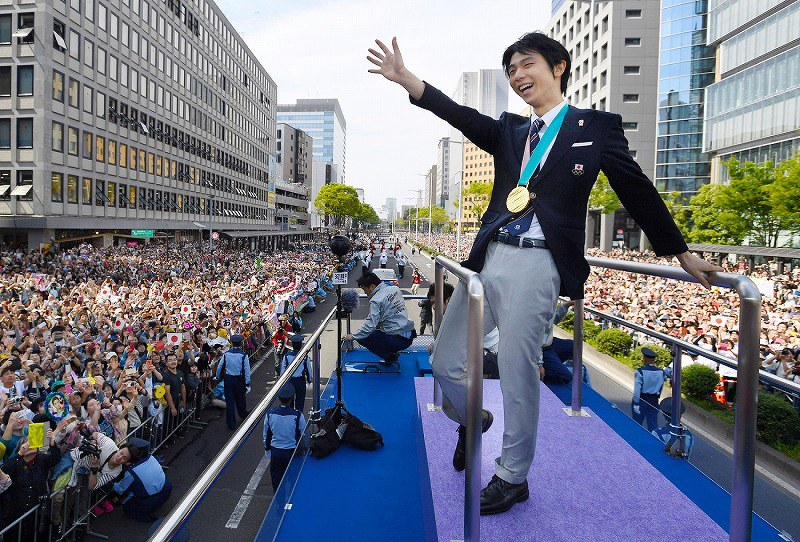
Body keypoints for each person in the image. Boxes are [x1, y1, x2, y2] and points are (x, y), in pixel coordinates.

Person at [367, 33, 719, 515]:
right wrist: (407, 79)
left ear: (559, 67)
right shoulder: (511, 130)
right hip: (488, 259)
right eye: (510, 69)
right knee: (447, 360)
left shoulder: (596, 128)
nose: (517, 76)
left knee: (516, 372)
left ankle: (512, 476)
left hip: (540, 263)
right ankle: (474, 418)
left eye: (525, 64)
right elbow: (457, 114)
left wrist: (680, 253)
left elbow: (637, 192)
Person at [343, 272, 416, 365]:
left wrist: (353, 336)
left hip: (398, 340)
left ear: (372, 286)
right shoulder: (395, 289)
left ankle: (390, 357)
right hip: (409, 335)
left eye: (364, 289)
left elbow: (370, 326)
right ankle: (391, 354)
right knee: (376, 331)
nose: (365, 292)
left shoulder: (376, 300)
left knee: (363, 337)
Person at [112, 437, 172, 522]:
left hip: (151, 500)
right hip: (166, 488)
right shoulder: (151, 457)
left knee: (127, 508)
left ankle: (148, 518)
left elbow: (120, 489)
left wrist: (111, 484)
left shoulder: (132, 472)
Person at [263, 383, 306, 491]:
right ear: (292, 398)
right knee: (293, 480)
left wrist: (267, 450)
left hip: (276, 452)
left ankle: (278, 503)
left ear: (278, 398)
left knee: (277, 480)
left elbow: (266, 435)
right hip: (292, 452)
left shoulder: (270, 414)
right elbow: (304, 435)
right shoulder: (298, 415)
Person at [215, 335, 251, 430]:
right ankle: (243, 414)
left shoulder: (226, 354)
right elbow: (247, 370)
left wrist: (218, 376)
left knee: (230, 401)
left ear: (231, 343)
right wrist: (247, 382)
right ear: (241, 343)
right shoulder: (243, 355)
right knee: (240, 398)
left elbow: (220, 366)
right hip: (239, 379)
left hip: (228, 378)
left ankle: (231, 424)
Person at [632, 347, 669, 432]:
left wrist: (636, 403)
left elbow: (637, 388)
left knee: (636, 424)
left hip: (642, 399)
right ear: (654, 360)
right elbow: (661, 387)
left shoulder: (640, 371)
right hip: (654, 400)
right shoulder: (661, 372)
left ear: (644, 359)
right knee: (653, 425)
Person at [279, 334, 309, 411]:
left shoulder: (287, 356)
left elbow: (283, 370)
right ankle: (298, 417)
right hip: (300, 381)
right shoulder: (304, 356)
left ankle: (290, 415)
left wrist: (282, 381)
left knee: (289, 401)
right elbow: (309, 369)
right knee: (300, 401)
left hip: (289, 381)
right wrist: (309, 380)